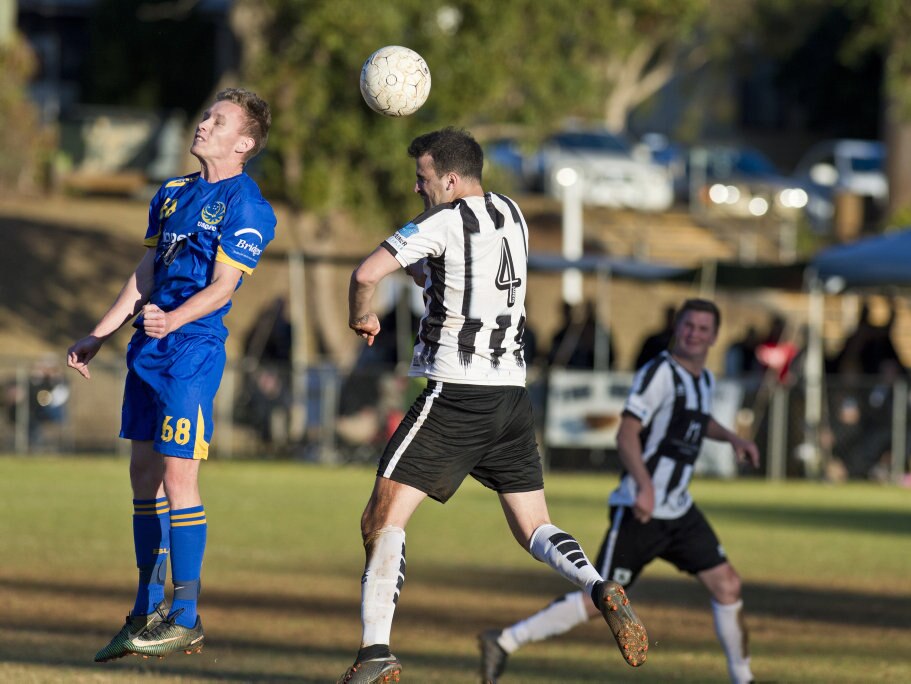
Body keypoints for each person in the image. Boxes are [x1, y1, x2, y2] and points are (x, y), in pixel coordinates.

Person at [341, 127, 647, 683]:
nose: (418, 189)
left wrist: (362, 315)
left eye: (424, 179)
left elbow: (366, 273)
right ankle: (599, 585)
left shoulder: (443, 220)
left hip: (455, 392)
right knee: (534, 526)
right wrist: (420, 272)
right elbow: (456, 273)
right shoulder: (512, 213)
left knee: (381, 518)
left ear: (452, 180)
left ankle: (374, 653)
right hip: (510, 393)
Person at [66, 88, 275, 662]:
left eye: (218, 120)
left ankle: (186, 615)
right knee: (142, 478)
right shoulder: (172, 192)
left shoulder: (247, 204)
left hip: (193, 351)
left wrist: (172, 319)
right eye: (206, 114)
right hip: (149, 349)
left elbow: (224, 287)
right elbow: (147, 271)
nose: (203, 123)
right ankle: (142, 612)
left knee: (180, 478)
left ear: (244, 143)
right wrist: (101, 332)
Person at [479, 298, 761, 684]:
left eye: (703, 329)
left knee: (727, 584)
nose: (694, 334)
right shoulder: (659, 372)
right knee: (601, 599)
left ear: (714, 336)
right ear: (677, 328)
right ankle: (506, 640)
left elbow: (698, 417)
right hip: (639, 511)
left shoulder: (704, 380)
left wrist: (732, 439)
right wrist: (644, 486)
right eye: (688, 326)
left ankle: (744, 680)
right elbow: (627, 434)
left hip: (679, 510)